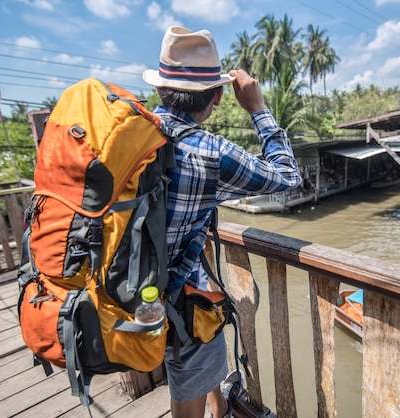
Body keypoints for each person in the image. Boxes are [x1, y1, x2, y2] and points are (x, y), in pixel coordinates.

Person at [142, 26, 302, 418]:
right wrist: (258, 109)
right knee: (188, 397)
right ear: (216, 96)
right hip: (172, 303)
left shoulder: (128, 133)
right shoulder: (210, 153)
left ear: (161, 89)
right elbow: (287, 177)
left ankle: (221, 408)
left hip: (120, 294)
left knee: (203, 352)